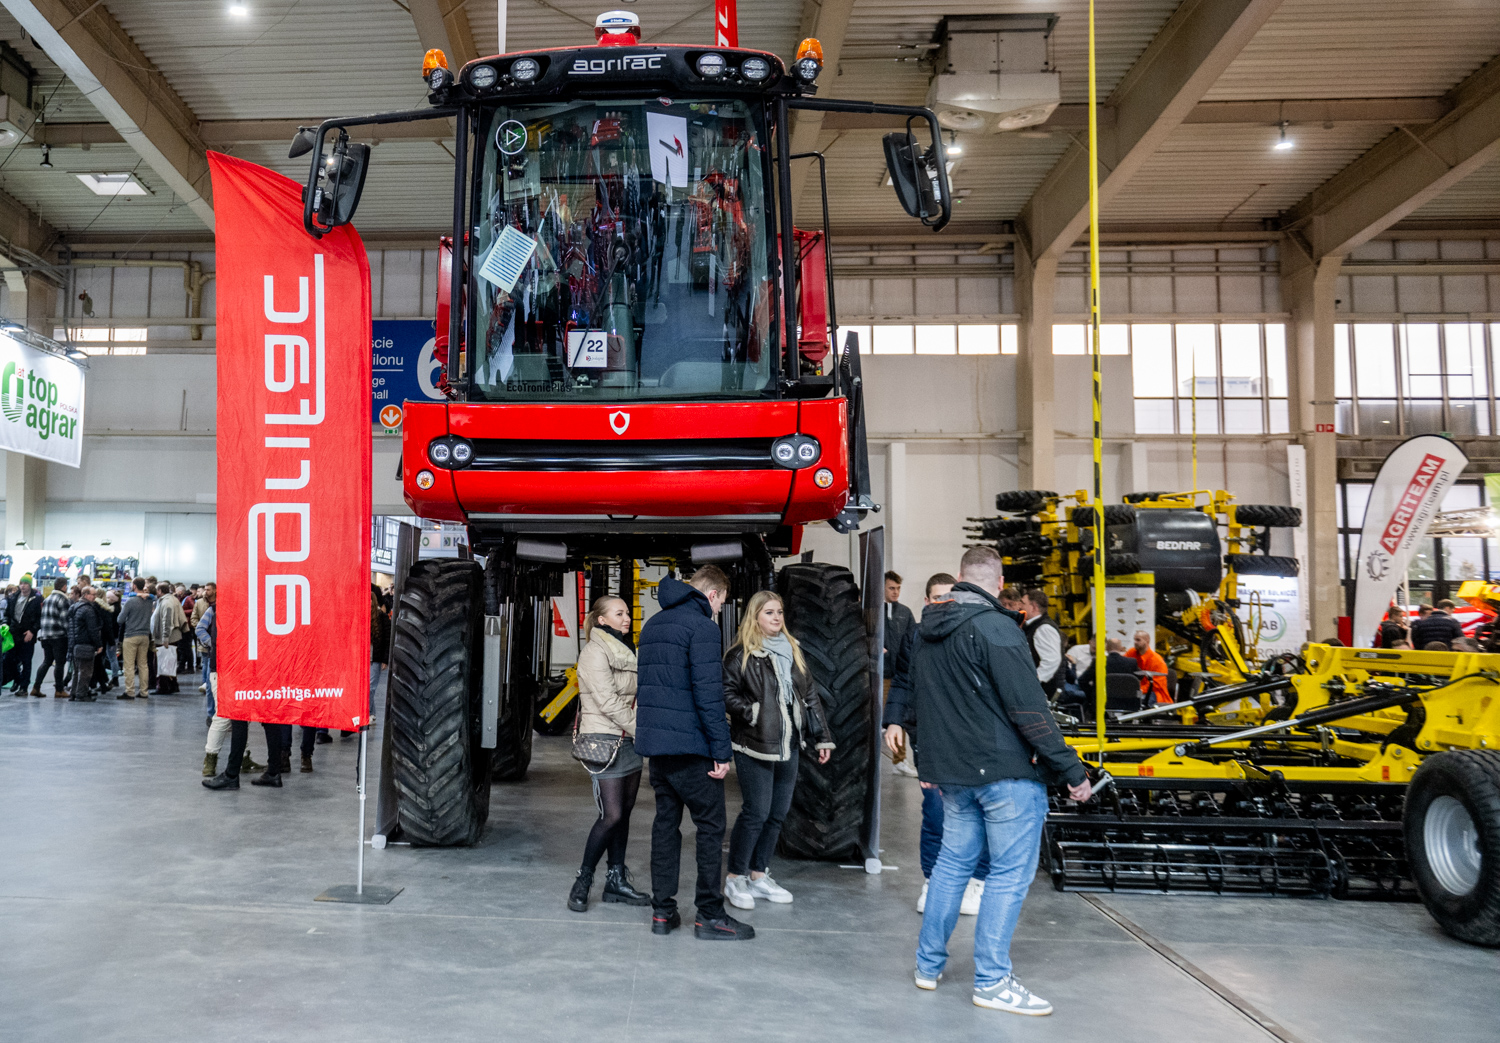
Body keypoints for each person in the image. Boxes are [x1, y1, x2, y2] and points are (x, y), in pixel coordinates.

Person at [910, 545, 1090, 1017]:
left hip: (954, 775)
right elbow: (1030, 709)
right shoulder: (997, 628)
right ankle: (991, 981)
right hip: (1004, 774)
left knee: (951, 866)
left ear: (960, 576)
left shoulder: (926, 630)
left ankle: (927, 966)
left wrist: (928, 765)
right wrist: (1071, 770)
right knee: (1009, 876)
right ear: (998, 580)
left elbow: (921, 706)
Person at [634, 565, 751, 940]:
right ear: (713, 595)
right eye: (721, 604)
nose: (718, 611)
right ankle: (709, 915)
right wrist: (722, 751)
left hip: (658, 751)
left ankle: (663, 913)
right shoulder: (702, 628)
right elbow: (708, 695)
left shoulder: (653, 624)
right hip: (692, 748)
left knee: (665, 825)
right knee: (711, 826)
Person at [722, 590, 834, 911]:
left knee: (777, 815)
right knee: (756, 813)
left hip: (789, 745)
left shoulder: (792, 650)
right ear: (755, 617)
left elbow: (809, 695)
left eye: (780, 612)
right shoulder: (740, 655)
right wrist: (753, 712)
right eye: (769, 612)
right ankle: (735, 877)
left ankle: (758, 876)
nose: (776, 618)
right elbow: (726, 693)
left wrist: (822, 737)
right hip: (754, 744)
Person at [885, 572, 989, 915]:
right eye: (936, 597)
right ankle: (932, 881)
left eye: (949, 596)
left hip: (969, 735)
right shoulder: (915, 635)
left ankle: (976, 881)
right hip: (927, 733)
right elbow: (902, 679)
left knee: (977, 809)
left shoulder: (974, 631)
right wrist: (895, 720)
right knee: (934, 810)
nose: (942, 602)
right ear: (927, 601)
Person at [568, 596, 651, 912]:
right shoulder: (594, 652)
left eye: (627, 613)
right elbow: (608, 702)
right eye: (619, 614)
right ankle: (583, 879)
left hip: (627, 740)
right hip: (605, 739)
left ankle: (615, 880)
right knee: (611, 814)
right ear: (602, 620)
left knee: (624, 814)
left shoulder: (625, 650)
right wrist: (642, 730)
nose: (627, 618)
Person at [1020, 589, 1065, 699]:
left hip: (1043, 691)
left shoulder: (1044, 628)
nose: (1019, 606)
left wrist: (1033, 681)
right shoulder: (1031, 626)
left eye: (1023, 603)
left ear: (1034, 607)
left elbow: (1051, 660)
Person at [117, 578, 154, 700]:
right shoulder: (149, 601)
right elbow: (153, 596)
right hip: (145, 636)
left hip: (131, 636)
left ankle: (130, 691)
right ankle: (144, 691)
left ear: (134, 586)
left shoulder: (130, 601)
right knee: (143, 665)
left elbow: (120, 620)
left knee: (129, 665)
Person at [66, 587, 104, 702]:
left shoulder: (74, 607)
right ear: (86, 595)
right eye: (93, 594)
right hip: (85, 643)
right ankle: (81, 694)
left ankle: (73, 693)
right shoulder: (88, 610)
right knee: (86, 671)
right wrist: (99, 644)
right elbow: (92, 629)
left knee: (76, 671)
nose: (95, 597)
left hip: (74, 643)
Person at [151, 582, 187, 694]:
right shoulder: (171, 600)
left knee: (162, 662)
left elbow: (166, 621)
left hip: (167, 638)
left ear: (160, 591)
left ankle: (163, 687)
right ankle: (172, 685)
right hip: (170, 636)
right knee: (169, 661)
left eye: (157, 590)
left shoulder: (166, 602)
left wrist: (165, 638)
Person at [8, 579, 41, 696]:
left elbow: (39, 618)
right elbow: (8, 615)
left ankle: (24, 687)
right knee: (11, 660)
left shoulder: (36, 599)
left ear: (30, 585)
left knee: (26, 661)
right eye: (21, 583)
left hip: (28, 634)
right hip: (13, 633)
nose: (23, 586)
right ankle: (17, 680)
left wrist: (32, 631)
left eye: (25, 584)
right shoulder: (13, 598)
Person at [883, 571, 915, 682]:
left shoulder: (905, 612)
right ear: (882, 588)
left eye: (898, 588)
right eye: (891, 588)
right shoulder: (873, 613)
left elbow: (913, 639)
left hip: (902, 673)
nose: (896, 592)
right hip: (881, 673)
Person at [1126, 630, 1170, 704]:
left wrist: (1138, 691)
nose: (1135, 642)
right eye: (1134, 639)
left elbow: (1155, 685)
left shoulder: (1158, 661)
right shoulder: (1131, 653)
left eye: (1138, 640)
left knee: (1140, 702)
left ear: (1147, 640)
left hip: (1154, 693)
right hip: (1136, 690)